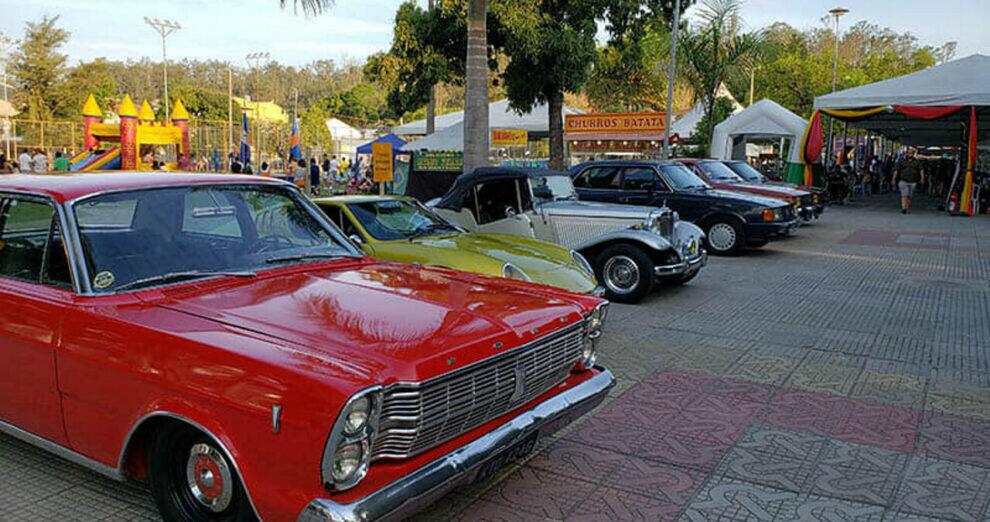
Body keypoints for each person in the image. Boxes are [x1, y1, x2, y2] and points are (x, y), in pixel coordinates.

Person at [892, 148, 924, 214]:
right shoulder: (901, 161)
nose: (909, 154)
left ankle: (906, 207)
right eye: (908, 153)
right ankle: (903, 208)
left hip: (913, 181)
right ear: (906, 153)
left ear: (913, 154)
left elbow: (921, 170)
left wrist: (922, 178)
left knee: (909, 195)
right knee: (904, 194)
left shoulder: (917, 162)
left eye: (911, 153)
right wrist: (893, 179)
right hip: (903, 180)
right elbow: (896, 170)